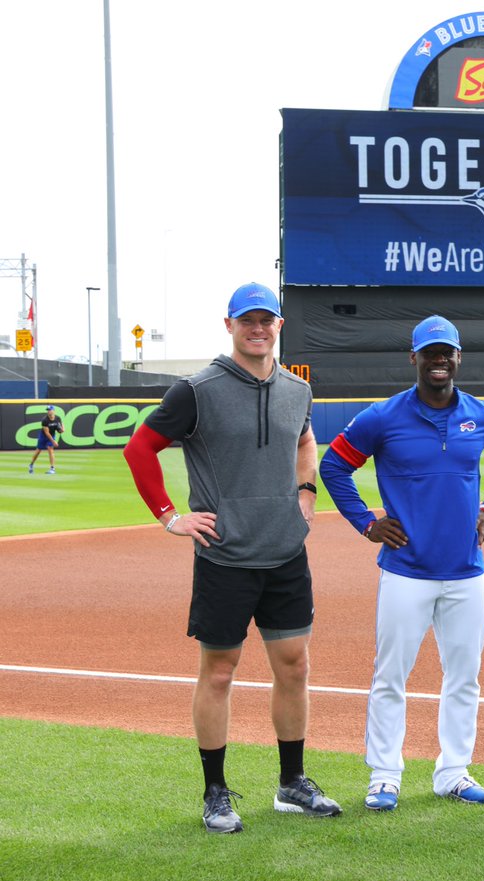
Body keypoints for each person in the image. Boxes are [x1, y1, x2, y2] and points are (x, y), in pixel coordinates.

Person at [123, 282, 341, 834]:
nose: (258, 328)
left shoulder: (298, 390)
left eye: (267, 320)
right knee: (219, 671)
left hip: (285, 553)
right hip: (225, 556)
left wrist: (306, 494)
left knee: (295, 666)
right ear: (230, 326)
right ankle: (215, 792)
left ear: (279, 327)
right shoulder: (198, 389)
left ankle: (292, 783)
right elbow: (139, 448)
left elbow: (304, 440)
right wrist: (172, 516)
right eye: (248, 320)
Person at [319, 315, 484, 811]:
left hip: (466, 572)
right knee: (391, 675)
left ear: (457, 358)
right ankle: (384, 775)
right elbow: (334, 466)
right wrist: (367, 522)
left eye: (446, 351)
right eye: (429, 352)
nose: (438, 360)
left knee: (464, 675)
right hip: (406, 570)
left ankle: (453, 772)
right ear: (414, 358)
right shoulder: (382, 416)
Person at [29, 404, 63, 474]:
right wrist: (53, 442)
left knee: (50, 449)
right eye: (48, 410)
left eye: (50, 410)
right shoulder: (45, 420)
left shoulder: (58, 418)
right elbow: (47, 433)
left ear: (53, 411)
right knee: (38, 451)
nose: (49, 412)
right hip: (43, 436)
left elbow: (60, 428)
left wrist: (62, 430)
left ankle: (52, 468)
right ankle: (31, 464)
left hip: (52, 435)